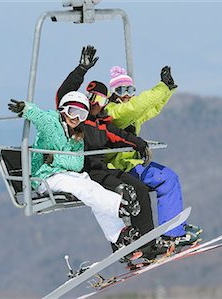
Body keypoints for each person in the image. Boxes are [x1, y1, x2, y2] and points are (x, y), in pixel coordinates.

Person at [54, 45, 164, 259]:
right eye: (93, 98)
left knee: (140, 190)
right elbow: (63, 97)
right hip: (85, 173)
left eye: (101, 100)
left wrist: (139, 144)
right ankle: (123, 247)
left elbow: (121, 136)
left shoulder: (103, 124)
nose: (96, 104)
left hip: (103, 170)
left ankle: (146, 244)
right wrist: (81, 70)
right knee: (121, 193)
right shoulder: (76, 120)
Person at [7, 91, 141, 251]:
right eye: (73, 111)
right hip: (45, 176)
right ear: (64, 109)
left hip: (68, 175)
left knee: (93, 188)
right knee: (82, 188)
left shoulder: (77, 136)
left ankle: (119, 235)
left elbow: (77, 164)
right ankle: (119, 205)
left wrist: (55, 158)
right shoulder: (52, 124)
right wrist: (25, 108)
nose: (76, 118)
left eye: (82, 115)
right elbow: (39, 116)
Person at [104, 65, 202, 249]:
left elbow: (151, 109)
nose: (126, 94)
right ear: (113, 93)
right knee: (153, 186)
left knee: (169, 178)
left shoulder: (129, 115)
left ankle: (172, 231)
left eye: (130, 90)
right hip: (117, 168)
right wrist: (162, 88)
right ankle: (163, 236)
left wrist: (168, 91)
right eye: (121, 90)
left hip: (130, 164)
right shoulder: (113, 113)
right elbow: (136, 107)